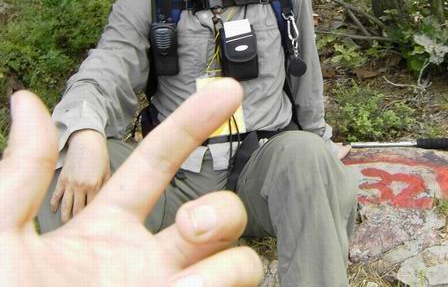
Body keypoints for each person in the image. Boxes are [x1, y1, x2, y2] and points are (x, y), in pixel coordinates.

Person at [38, 0, 358, 286]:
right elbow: (104, 69)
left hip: (260, 177)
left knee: (306, 154)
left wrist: (321, 148)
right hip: (172, 181)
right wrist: (85, 132)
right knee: (60, 168)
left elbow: (307, 81)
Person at [2, 84, 264, 287]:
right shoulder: (144, 23)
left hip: (262, 163)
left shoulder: (282, 23)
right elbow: (104, 68)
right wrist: (85, 132)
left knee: (292, 155)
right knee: (72, 161)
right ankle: (74, 268)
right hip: (174, 174)